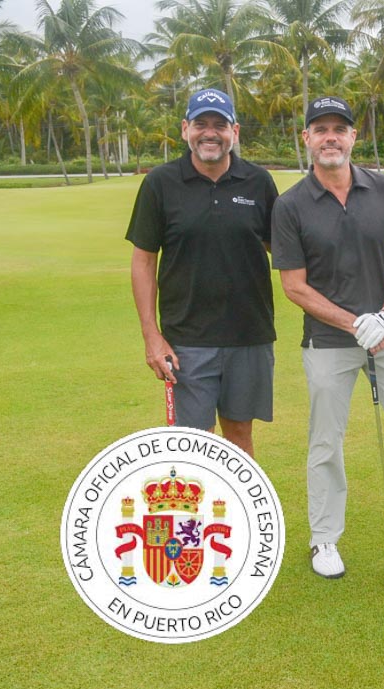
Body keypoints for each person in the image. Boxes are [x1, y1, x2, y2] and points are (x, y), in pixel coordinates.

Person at [272, 96, 384, 579]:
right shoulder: (290, 205)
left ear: (354, 137)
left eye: (340, 129)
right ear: (307, 139)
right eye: (321, 129)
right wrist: (356, 323)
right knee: (326, 440)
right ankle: (324, 538)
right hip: (328, 341)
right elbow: (294, 286)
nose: (330, 137)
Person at [126, 88, 277, 457]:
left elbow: (283, 250)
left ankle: (237, 500)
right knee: (193, 446)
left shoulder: (258, 182)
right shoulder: (160, 183)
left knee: (240, 438)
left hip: (249, 334)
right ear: (185, 129)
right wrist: (151, 336)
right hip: (186, 340)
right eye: (201, 124)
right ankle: (198, 502)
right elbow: (143, 261)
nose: (210, 133)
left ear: (234, 132)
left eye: (219, 125)